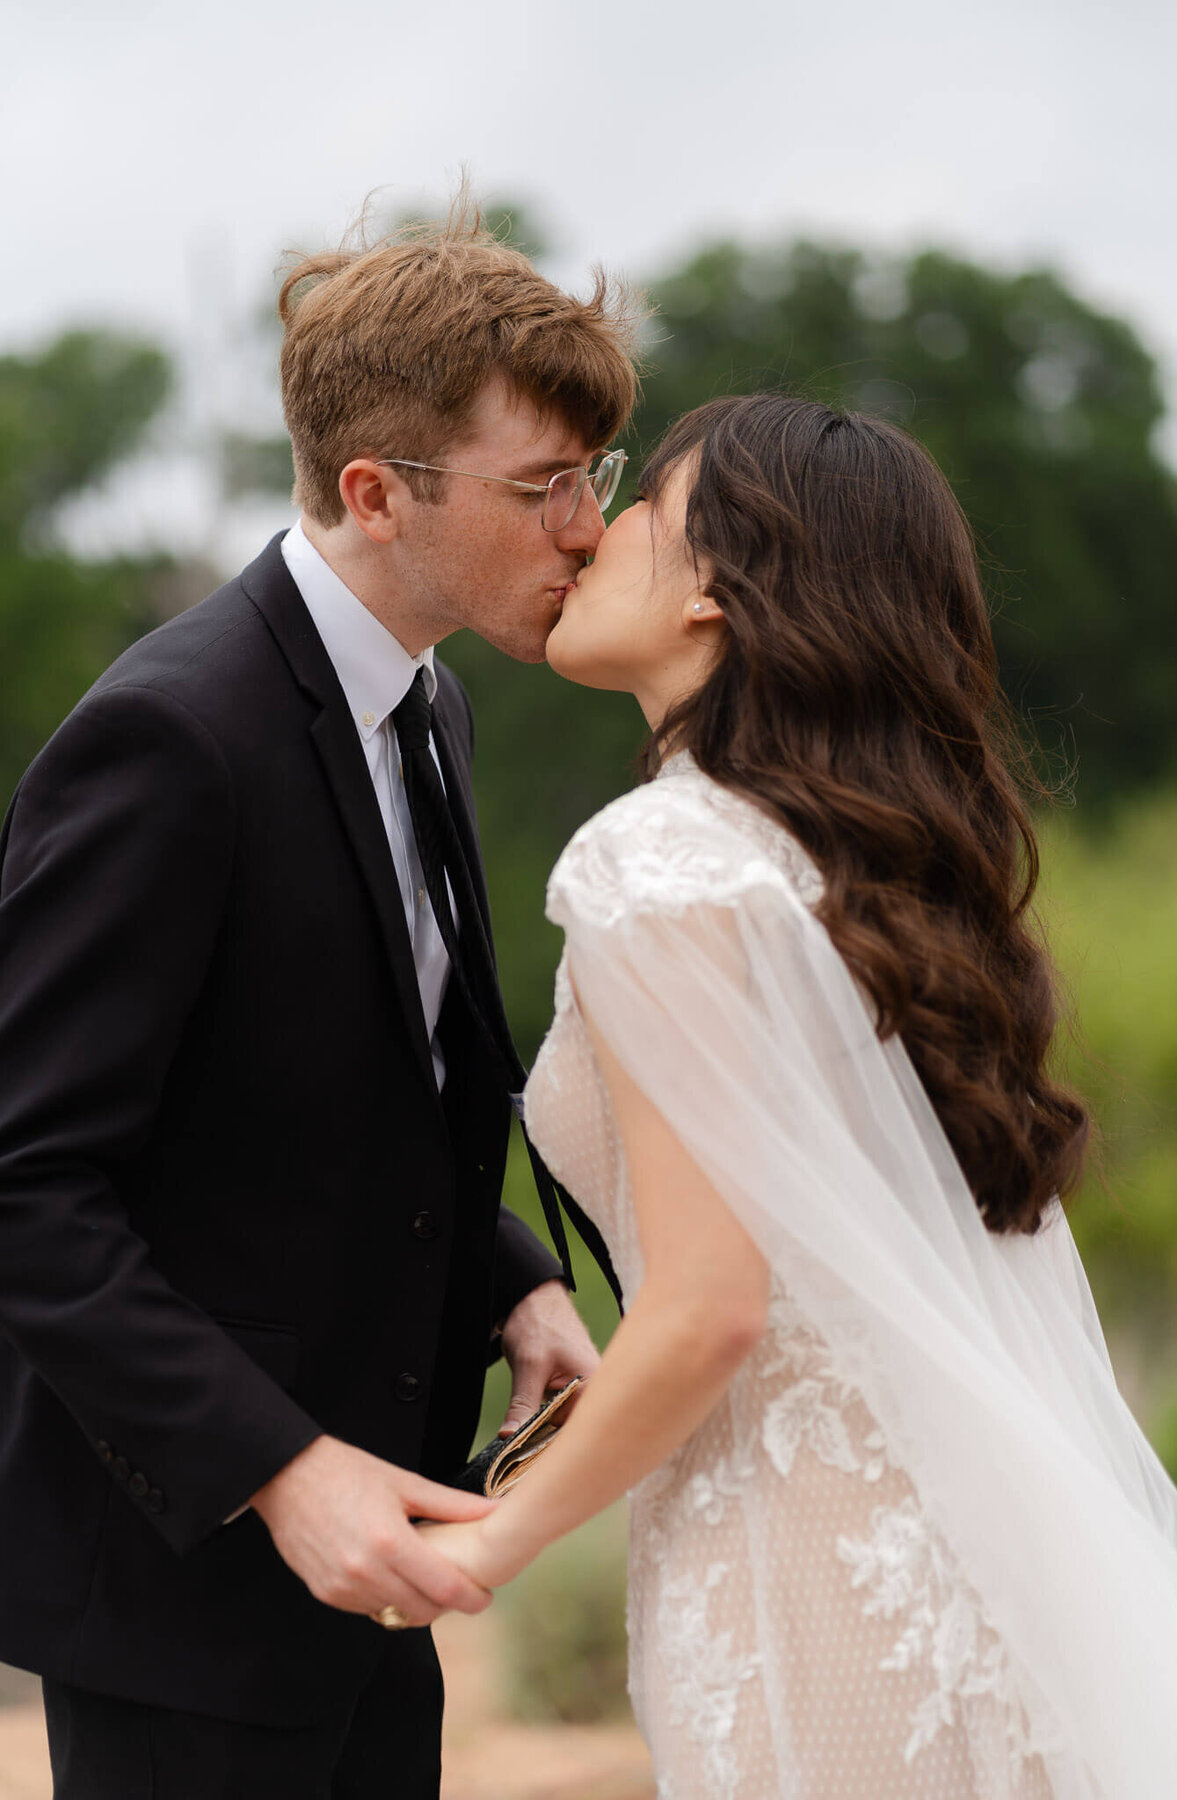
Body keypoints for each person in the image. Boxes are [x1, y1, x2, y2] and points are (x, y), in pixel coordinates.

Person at [421, 393, 1177, 1797]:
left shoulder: (658, 865)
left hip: (816, 1573)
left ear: (714, 585)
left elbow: (709, 1309)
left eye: (639, 502)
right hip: (964, 1553)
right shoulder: (850, 872)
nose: (588, 531)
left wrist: (489, 1542)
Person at [0, 207, 636, 1797]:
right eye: (544, 485)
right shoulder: (170, 740)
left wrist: (510, 1281)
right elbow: (28, 1188)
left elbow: (380, 1083)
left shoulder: (433, 702)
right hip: (186, 1604)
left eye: (597, 476)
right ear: (375, 493)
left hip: (371, 1585)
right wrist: (282, 1472)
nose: (587, 529)